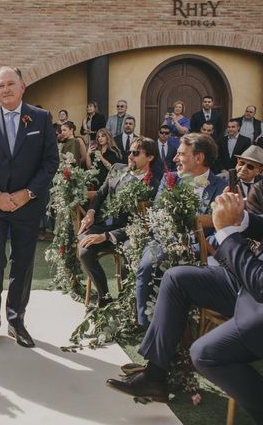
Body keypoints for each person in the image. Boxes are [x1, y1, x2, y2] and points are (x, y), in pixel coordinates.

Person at [106, 190, 263, 424]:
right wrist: (243, 218)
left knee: (204, 353)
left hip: (257, 294)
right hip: (248, 278)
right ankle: (155, 377)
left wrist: (227, 233)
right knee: (176, 279)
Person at [0, 66, 59, 348]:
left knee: (23, 263)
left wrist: (27, 193)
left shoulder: (41, 118)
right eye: (0, 86)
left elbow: (50, 162)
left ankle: (16, 321)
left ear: (22, 86)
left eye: (10, 84)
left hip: (27, 206)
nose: (5, 89)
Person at [135, 133, 227, 327]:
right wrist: (172, 241)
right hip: (165, 240)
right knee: (148, 264)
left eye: (181, 154)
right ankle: (145, 324)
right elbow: (158, 216)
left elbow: (223, 228)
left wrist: (194, 246)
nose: (175, 159)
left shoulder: (221, 186)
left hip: (201, 249)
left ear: (199, 157)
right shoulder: (170, 179)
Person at [78, 137, 160, 308]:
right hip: (105, 223)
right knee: (84, 251)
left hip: (130, 232)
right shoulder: (117, 169)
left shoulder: (154, 186)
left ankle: (125, 304)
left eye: (136, 153)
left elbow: (142, 223)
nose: (130, 156)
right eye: (130, 151)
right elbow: (100, 193)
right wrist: (91, 213)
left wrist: (107, 236)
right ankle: (104, 298)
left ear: (150, 157)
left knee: (131, 252)